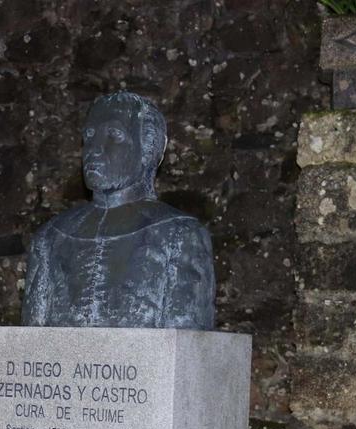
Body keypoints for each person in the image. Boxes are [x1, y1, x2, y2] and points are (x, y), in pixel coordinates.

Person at [22, 90, 216, 330]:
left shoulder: (180, 235)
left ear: (147, 149)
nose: (94, 148)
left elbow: (186, 349)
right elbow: (30, 345)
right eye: (89, 135)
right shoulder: (50, 238)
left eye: (114, 134)